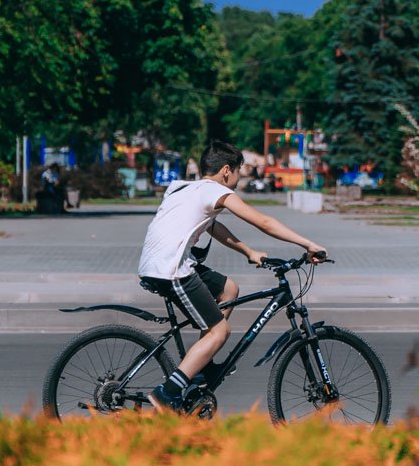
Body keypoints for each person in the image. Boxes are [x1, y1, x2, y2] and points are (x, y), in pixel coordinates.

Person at [139, 140, 327, 413]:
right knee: (220, 331)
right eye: (239, 171)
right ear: (226, 170)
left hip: (161, 264)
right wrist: (308, 244)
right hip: (170, 269)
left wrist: (249, 251)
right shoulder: (215, 191)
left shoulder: (183, 188)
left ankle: (201, 366)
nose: (239, 178)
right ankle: (166, 393)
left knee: (229, 290)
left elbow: (214, 227)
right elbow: (264, 222)